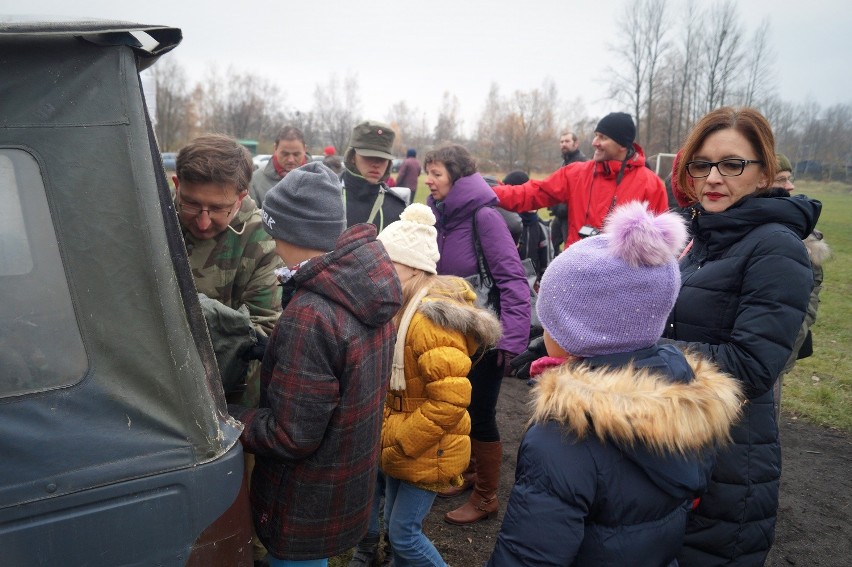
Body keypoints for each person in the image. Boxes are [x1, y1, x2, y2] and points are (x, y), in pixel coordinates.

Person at [487, 202, 744, 567]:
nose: (543, 332)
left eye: (550, 322)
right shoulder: (687, 397)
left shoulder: (563, 436)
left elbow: (528, 555)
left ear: (578, 333)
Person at [664, 107, 821, 566]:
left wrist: (633, 353)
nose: (713, 177)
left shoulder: (777, 246)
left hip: (726, 459)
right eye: (702, 164)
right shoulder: (694, 237)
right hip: (672, 439)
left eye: (732, 164)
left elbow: (752, 365)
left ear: (763, 174)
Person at [228, 161, 403, 567]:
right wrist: (272, 348)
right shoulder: (366, 287)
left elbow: (292, 436)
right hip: (340, 485)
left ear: (288, 230)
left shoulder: (311, 313)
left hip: (301, 499)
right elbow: (341, 368)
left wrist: (228, 417)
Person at [173, 134, 283, 567]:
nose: (202, 221)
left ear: (240, 198)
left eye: (218, 209)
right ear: (177, 183)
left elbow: (263, 328)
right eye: (192, 204)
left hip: (230, 388)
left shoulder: (257, 238)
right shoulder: (153, 211)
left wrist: (189, 313)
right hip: (158, 384)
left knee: (232, 491)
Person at [376, 203, 502, 567]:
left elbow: (450, 400)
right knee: (393, 526)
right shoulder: (403, 309)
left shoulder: (428, 322)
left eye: (390, 266)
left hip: (427, 447)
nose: (381, 274)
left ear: (414, 268)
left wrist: (404, 439)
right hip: (405, 441)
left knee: (404, 534)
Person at [423, 144, 531, 525]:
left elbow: (513, 281)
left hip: (485, 337)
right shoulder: (441, 217)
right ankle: (469, 473)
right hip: (452, 336)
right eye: (428, 172)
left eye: (435, 173)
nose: (428, 180)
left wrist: (511, 342)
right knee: (460, 407)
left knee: (481, 413)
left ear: (456, 175)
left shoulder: (484, 218)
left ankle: (486, 497)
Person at [491, 112, 668, 250]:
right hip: (576, 272)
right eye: (596, 135)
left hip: (620, 282)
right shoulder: (576, 173)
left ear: (622, 145)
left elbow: (659, 245)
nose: (594, 142)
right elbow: (531, 193)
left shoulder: (651, 185)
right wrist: (487, 192)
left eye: (603, 137)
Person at [771, 153, 830, 418]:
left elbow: (808, 302)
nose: (791, 186)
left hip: (773, 359)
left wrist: (783, 353)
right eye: (782, 179)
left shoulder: (800, 238)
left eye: (790, 178)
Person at [342, 120, 409, 232]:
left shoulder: (397, 208)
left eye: (382, 159)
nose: (376, 164)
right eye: (368, 156)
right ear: (352, 157)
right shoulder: (329, 195)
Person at [502, 170, 553, 283]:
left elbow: (547, 262)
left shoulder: (541, 228)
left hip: (533, 285)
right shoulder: (505, 223)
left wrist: (541, 282)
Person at [549, 131, 588, 253]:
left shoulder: (582, 163)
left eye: (567, 141)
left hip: (573, 216)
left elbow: (581, 193)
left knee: (571, 249)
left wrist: (561, 208)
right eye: (561, 142)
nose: (563, 144)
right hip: (560, 216)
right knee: (551, 243)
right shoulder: (564, 162)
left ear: (576, 144)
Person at [250, 126, 308, 206]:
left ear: (305, 150)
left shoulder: (321, 180)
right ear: (275, 149)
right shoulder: (255, 181)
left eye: (296, 154)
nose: (291, 159)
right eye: (285, 154)